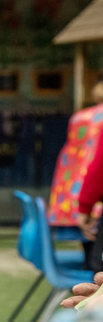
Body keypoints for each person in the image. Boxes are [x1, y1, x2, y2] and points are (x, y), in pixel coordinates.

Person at [47, 78, 103, 267]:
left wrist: (84, 205)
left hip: (78, 184)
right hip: (94, 187)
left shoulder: (80, 117)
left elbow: (72, 155)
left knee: (92, 251)